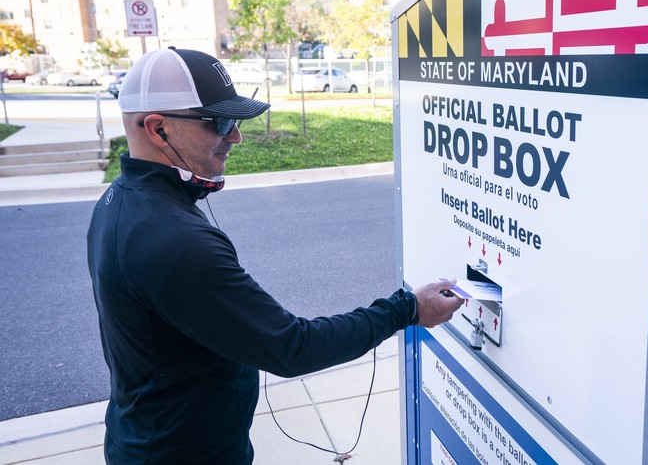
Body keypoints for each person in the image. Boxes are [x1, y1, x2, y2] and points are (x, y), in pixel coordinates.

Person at [87, 47, 463, 463]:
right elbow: (292, 347)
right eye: (221, 122)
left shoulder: (120, 202)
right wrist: (408, 308)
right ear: (158, 129)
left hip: (148, 436)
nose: (236, 136)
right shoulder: (174, 242)